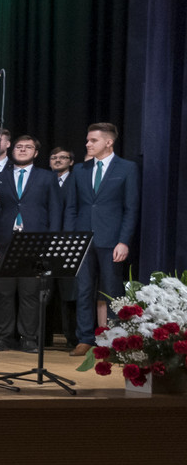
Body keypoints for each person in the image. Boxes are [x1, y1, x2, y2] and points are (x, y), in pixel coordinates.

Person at [0, 134, 67, 353]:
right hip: (3, 242)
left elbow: (55, 210)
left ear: (36, 153)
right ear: (12, 150)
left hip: (35, 242)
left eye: (28, 147)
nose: (22, 150)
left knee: (30, 293)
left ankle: (28, 338)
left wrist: (51, 242)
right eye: (19, 147)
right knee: (2, 292)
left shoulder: (47, 177)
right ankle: (3, 337)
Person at [69, 122, 139, 357]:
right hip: (83, 238)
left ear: (109, 142)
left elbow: (131, 208)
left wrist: (124, 241)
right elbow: (72, 207)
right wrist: (72, 238)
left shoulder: (127, 168)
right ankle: (85, 338)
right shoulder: (80, 169)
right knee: (83, 290)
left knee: (112, 290)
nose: (88, 144)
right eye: (88, 140)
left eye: (93, 140)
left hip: (111, 240)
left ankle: (115, 339)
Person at [47, 146, 81, 347]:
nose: (58, 160)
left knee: (69, 293)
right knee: (45, 292)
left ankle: (72, 338)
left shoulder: (76, 181)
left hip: (70, 244)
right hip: (46, 244)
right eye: (54, 157)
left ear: (71, 161)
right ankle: (44, 338)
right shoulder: (45, 180)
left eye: (63, 157)